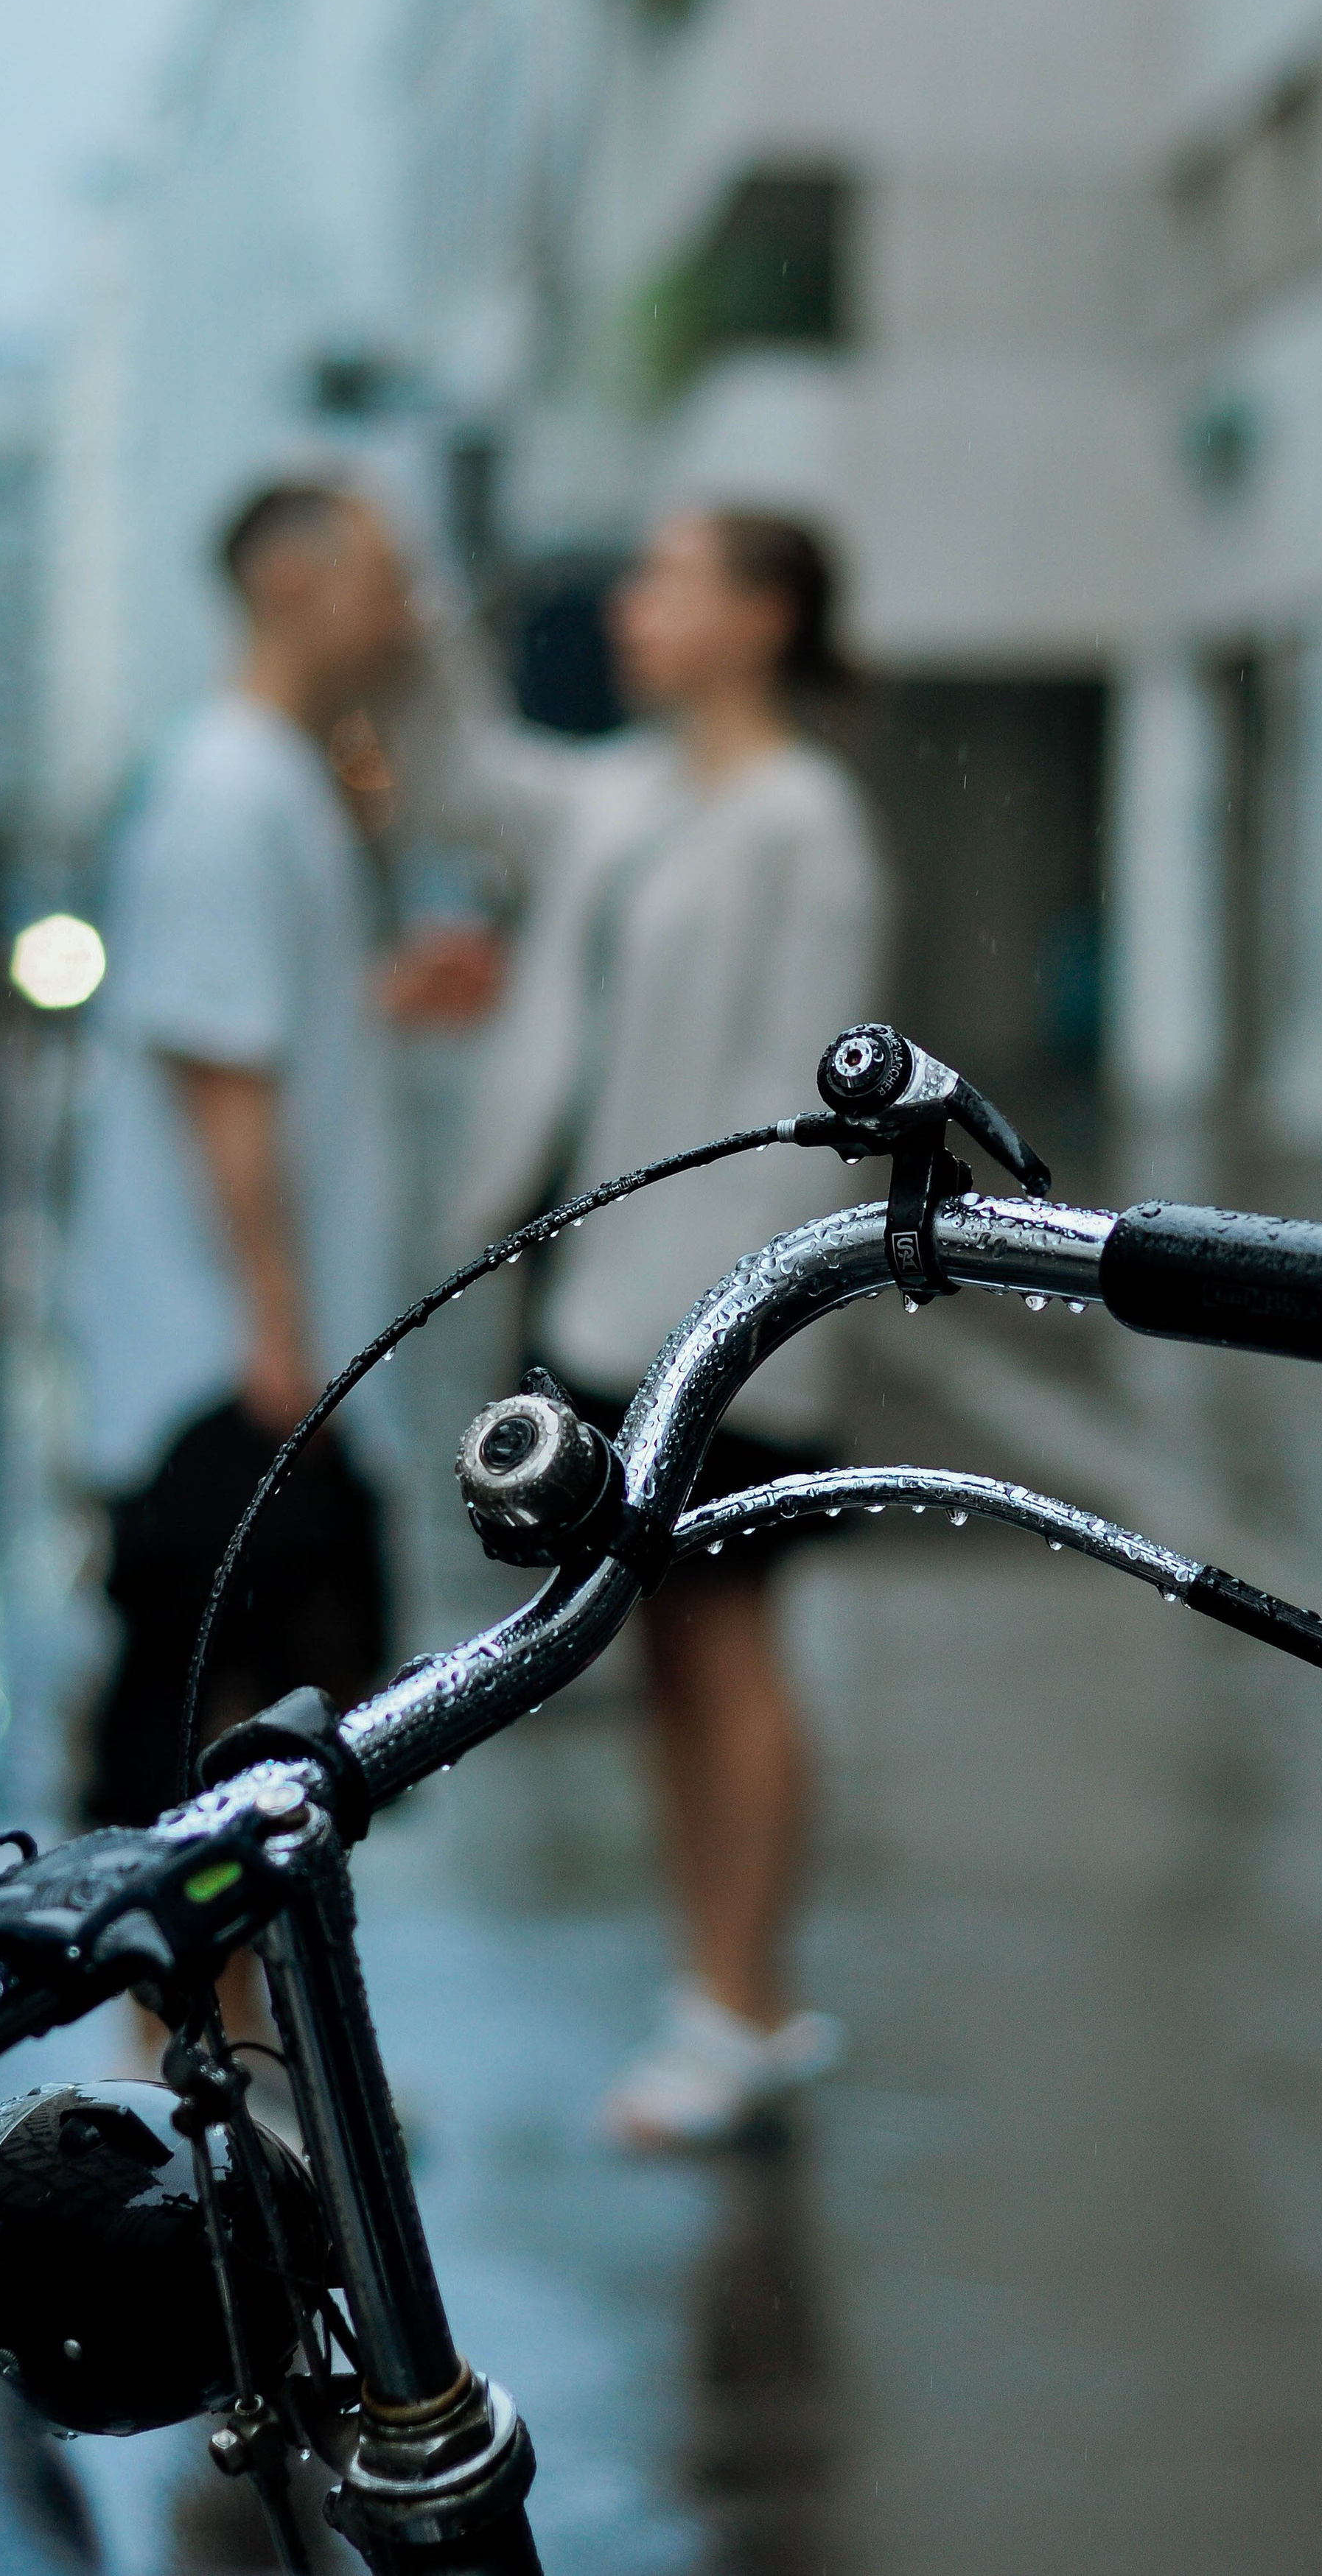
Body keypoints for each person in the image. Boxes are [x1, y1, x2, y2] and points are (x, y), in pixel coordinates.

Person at [450, 509, 888, 2148]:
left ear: (763, 616)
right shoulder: (623, 794)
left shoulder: (804, 821)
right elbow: (466, 777)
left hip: (725, 1306)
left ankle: (740, 1996)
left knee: (731, 1642)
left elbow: (812, 1107)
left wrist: (751, 1327)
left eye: (672, 581)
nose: (635, 607)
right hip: (598, 1296)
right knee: (649, 1654)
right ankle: (717, 1989)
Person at [71, 481, 490, 2042]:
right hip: (226, 1375)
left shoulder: (278, 786)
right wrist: (274, 1331)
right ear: (297, 584)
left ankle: (228, 2063)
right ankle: (196, 2082)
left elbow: (262, 1043)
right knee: (218, 1748)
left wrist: (375, 997)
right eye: (385, 578)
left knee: (251, 1745)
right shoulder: (229, 793)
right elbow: (217, 1077)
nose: (406, 613)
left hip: (252, 1361)